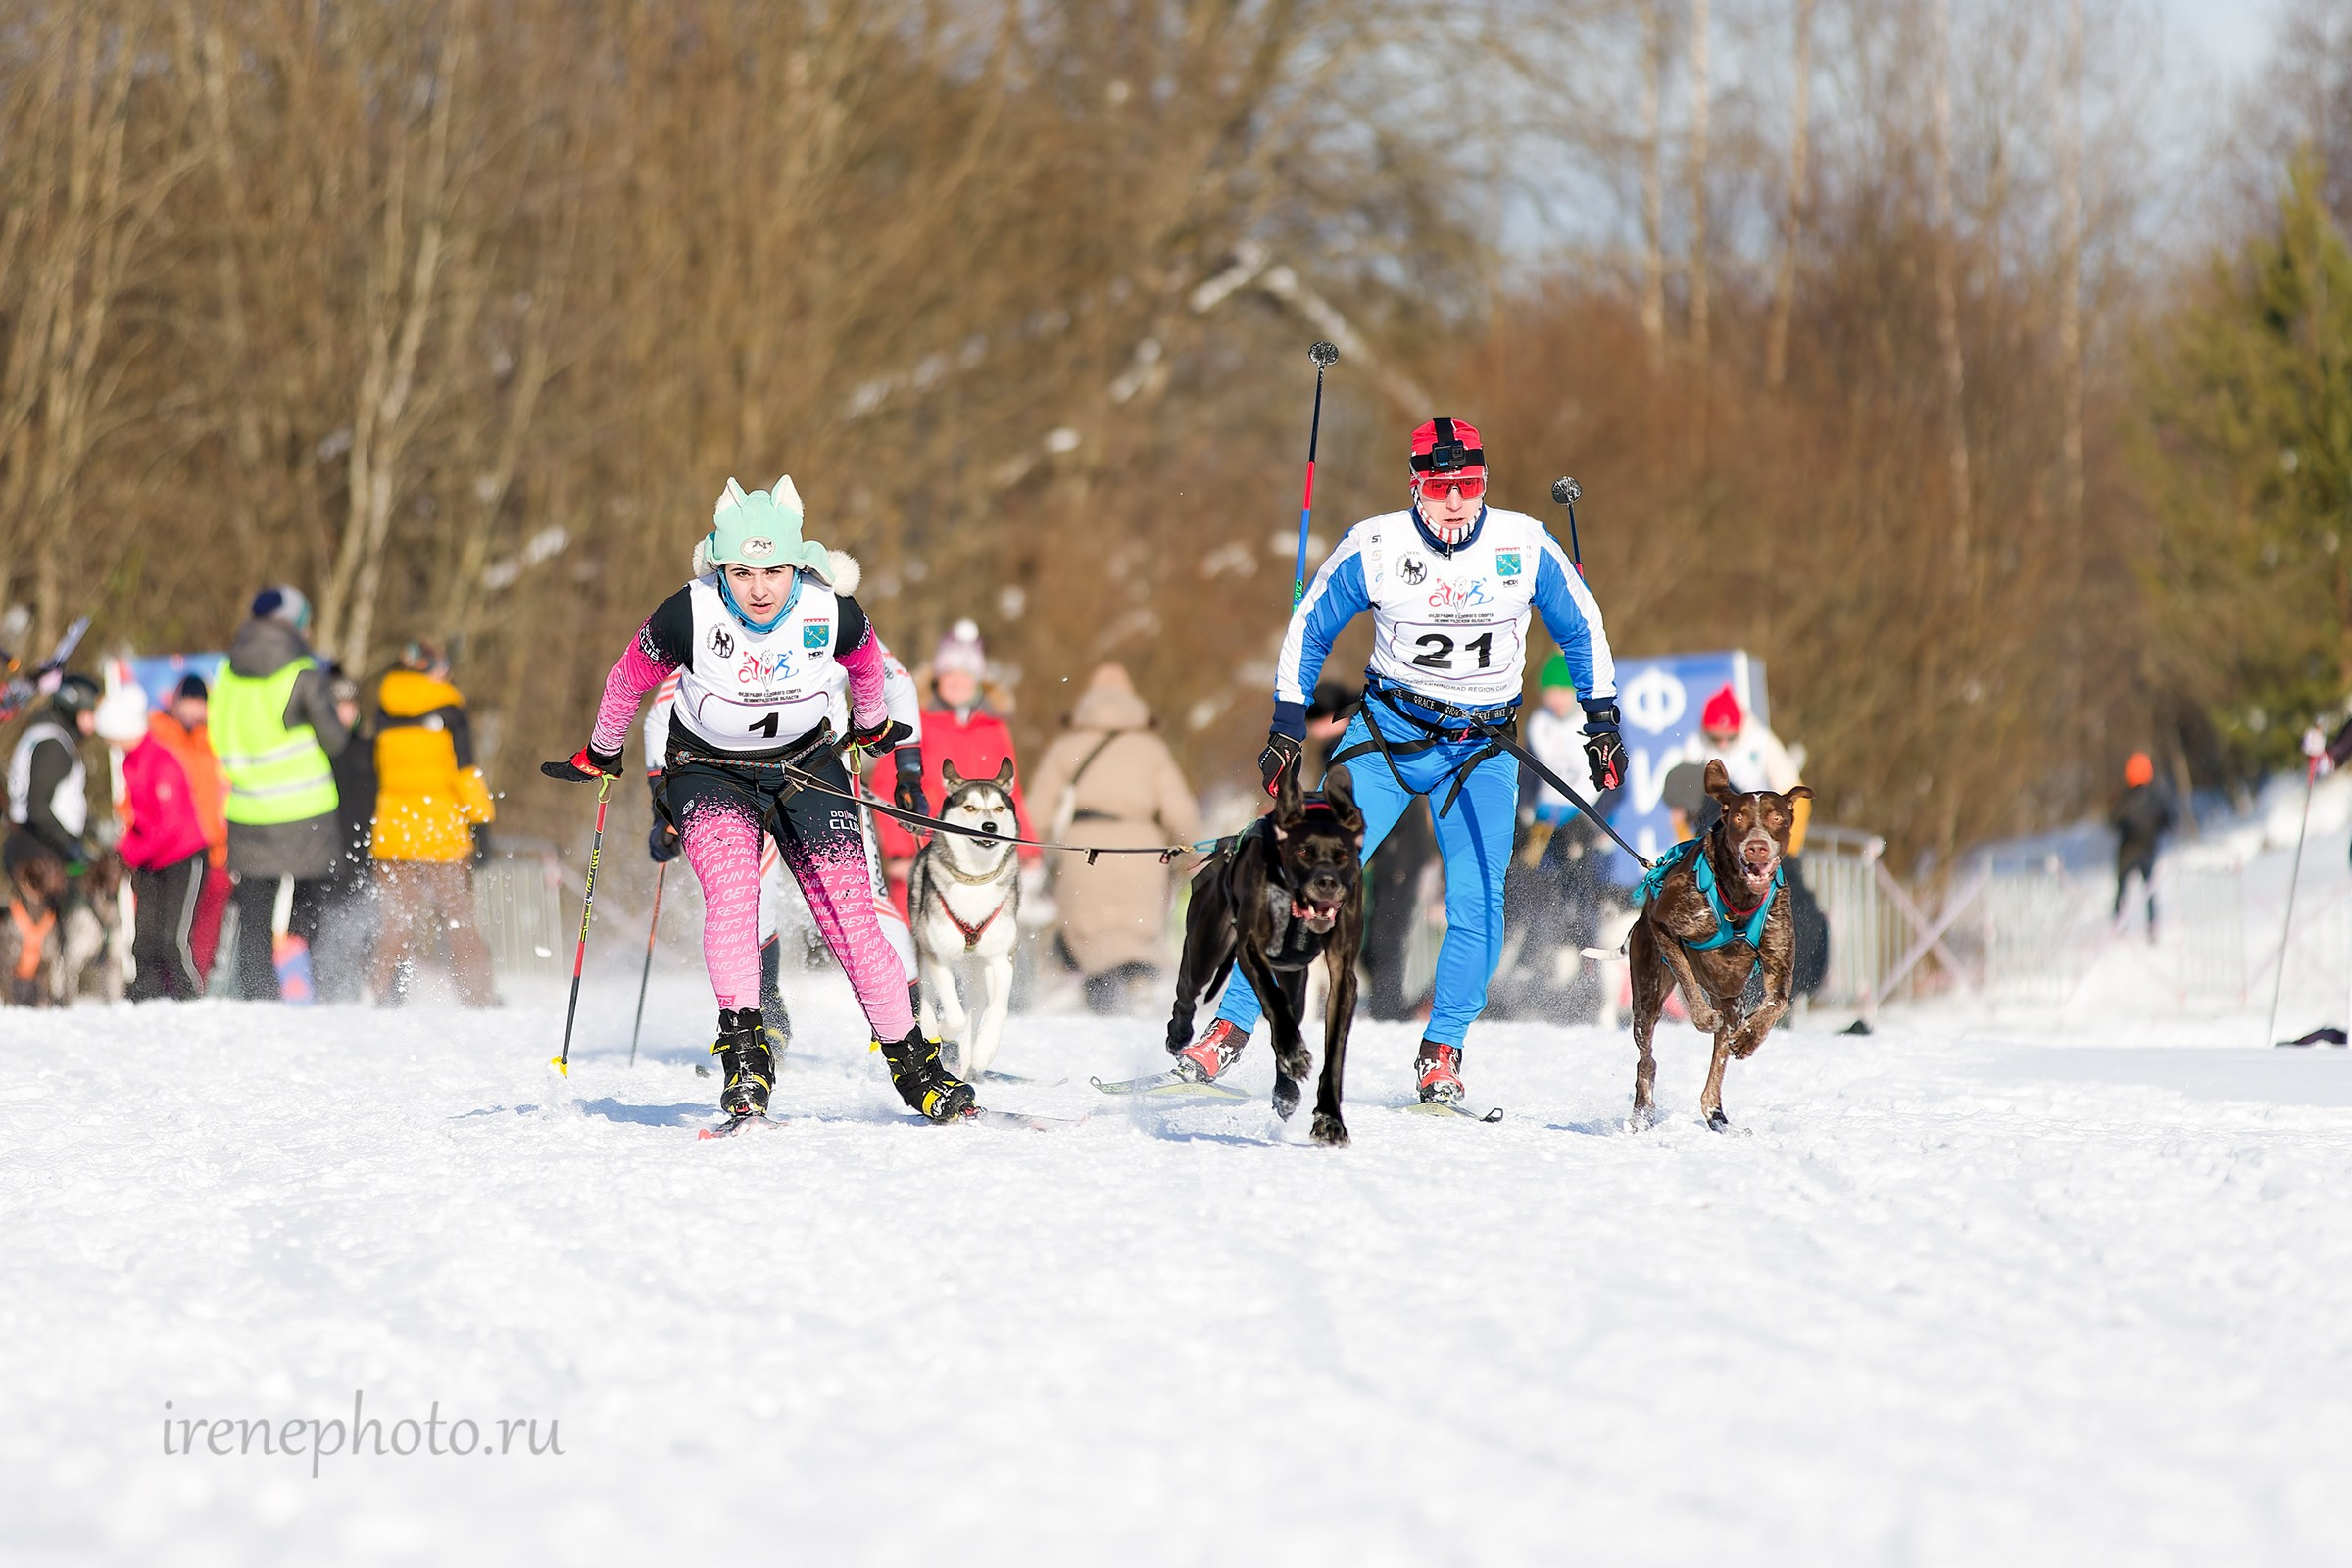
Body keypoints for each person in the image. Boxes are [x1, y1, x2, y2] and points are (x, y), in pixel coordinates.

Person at [1180, 416, 1623, 1105]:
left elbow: (1582, 627)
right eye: (1442, 487)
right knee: (1308, 871)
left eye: (1470, 484)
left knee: (1479, 900)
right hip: (1390, 738)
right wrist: (1286, 728)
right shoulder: (1378, 546)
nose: (1457, 501)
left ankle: (1442, 1050)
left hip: (1480, 750)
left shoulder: (1523, 544)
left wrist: (1602, 721)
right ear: (1416, 486)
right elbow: (1310, 626)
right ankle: (1232, 1025)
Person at [553, 474, 968, 1125]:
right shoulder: (687, 612)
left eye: (774, 571)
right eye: (742, 572)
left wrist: (870, 726)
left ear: (796, 565)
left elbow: (868, 667)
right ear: (720, 567)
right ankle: (747, 1057)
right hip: (709, 771)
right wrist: (603, 751)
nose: (760, 589)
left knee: (852, 919)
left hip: (807, 767)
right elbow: (626, 681)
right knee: (734, 898)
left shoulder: (830, 609)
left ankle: (916, 1066)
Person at [1028, 662, 1201, 1015]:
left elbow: (1037, 811)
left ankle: (1097, 1001)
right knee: (1136, 933)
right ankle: (1139, 988)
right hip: (1143, 851)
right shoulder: (1151, 749)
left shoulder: (1068, 746)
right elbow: (1180, 810)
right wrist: (1198, 852)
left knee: (1091, 934)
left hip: (1086, 851)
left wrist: (1024, 852)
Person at [212, 587, 349, 1000]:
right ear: (295, 624)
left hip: (249, 807)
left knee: (255, 910)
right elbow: (335, 739)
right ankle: (319, 988)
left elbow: (217, 733)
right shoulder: (302, 671)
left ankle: (259, 992)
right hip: (305, 807)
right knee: (314, 903)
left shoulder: (228, 671)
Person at [866, 618, 1036, 919]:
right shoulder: (915, 720)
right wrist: (899, 850)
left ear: (978, 680)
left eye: (966, 675)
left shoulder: (995, 728)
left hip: (984, 858)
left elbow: (1011, 793)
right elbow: (886, 786)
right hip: (924, 850)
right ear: (938, 677)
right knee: (920, 935)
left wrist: (1028, 848)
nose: (958, 682)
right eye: (951, 674)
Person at [368, 642, 496, 1005]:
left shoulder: (384, 707)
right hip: (442, 832)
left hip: (393, 832)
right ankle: (478, 999)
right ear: (433, 669)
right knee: (458, 921)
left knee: (396, 922)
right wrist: (482, 821)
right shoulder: (450, 708)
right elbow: (465, 771)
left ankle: (380, 993)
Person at [96, 688, 210, 999]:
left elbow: (170, 826)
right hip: (151, 862)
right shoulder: (130, 763)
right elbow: (139, 820)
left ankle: (189, 999)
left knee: (172, 941)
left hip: (183, 858)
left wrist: (131, 853)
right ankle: (144, 998)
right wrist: (124, 849)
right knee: (144, 941)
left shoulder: (161, 762)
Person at [149, 674, 232, 983]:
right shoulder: (159, 735)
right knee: (167, 925)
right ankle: (167, 983)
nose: (195, 710)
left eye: (201, 703)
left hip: (213, 847)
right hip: (170, 848)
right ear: (176, 701)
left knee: (206, 928)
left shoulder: (214, 740)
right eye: (190, 701)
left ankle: (197, 982)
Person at [313, 668, 379, 1002]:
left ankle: (380, 996)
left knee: (372, 930)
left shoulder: (371, 749)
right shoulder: (315, 751)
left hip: (367, 853)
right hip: (324, 855)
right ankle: (327, 995)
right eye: (338, 705)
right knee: (325, 932)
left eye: (351, 705)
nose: (345, 712)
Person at [2112, 751, 2173, 938]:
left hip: (2127, 850)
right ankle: (2152, 927)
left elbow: (2113, 821)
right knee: (2149, 890)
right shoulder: (2155, 796)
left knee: (2122, 889)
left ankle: (2118, 927)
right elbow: (2168, 821)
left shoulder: (2124, 797)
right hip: (2147, 849)